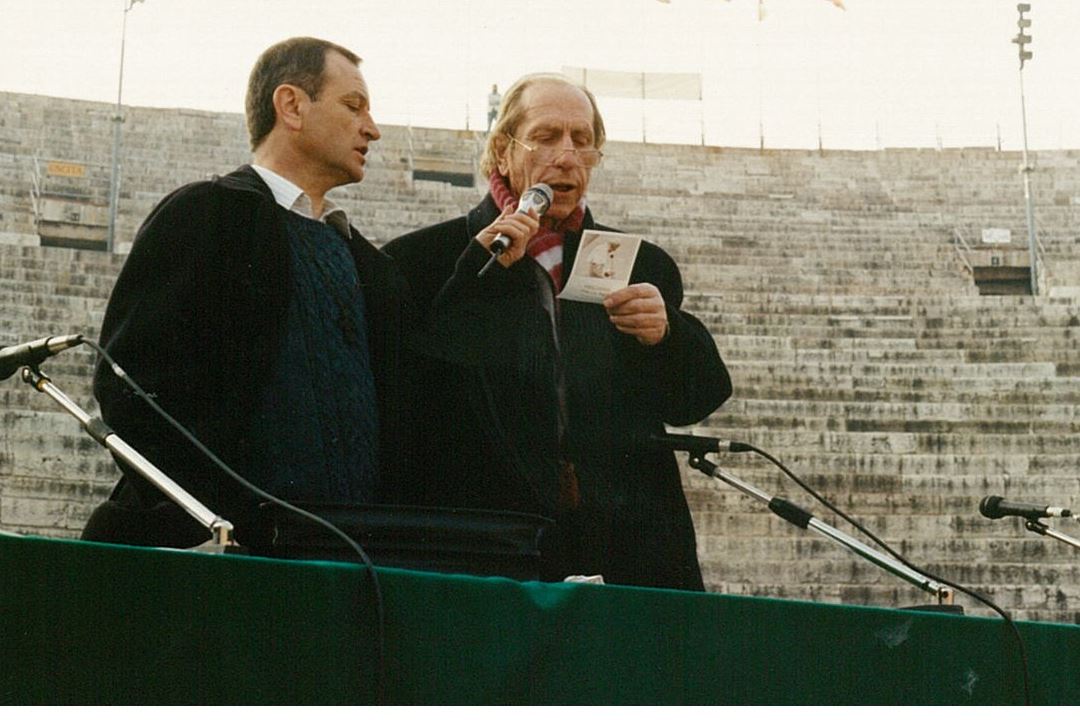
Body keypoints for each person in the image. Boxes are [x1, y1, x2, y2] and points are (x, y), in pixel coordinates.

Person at [384, 74, 732, 591]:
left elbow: (693, 401)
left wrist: (669, 336)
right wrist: (477, 276)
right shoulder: (420, 262)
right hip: (494, 553)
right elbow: (411, 408)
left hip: (630, 552)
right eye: (547, 137)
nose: (567, 155)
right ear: (502, 152)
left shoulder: (642, 262)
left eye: (582, 140)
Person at [82, 37, 412, 549]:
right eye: (353, 106)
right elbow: (133, 390)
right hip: (225, 560)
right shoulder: (207, 214)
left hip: (343, 566)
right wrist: (215, 518)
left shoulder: (368, 264)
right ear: (292, 106)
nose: (373, 128)